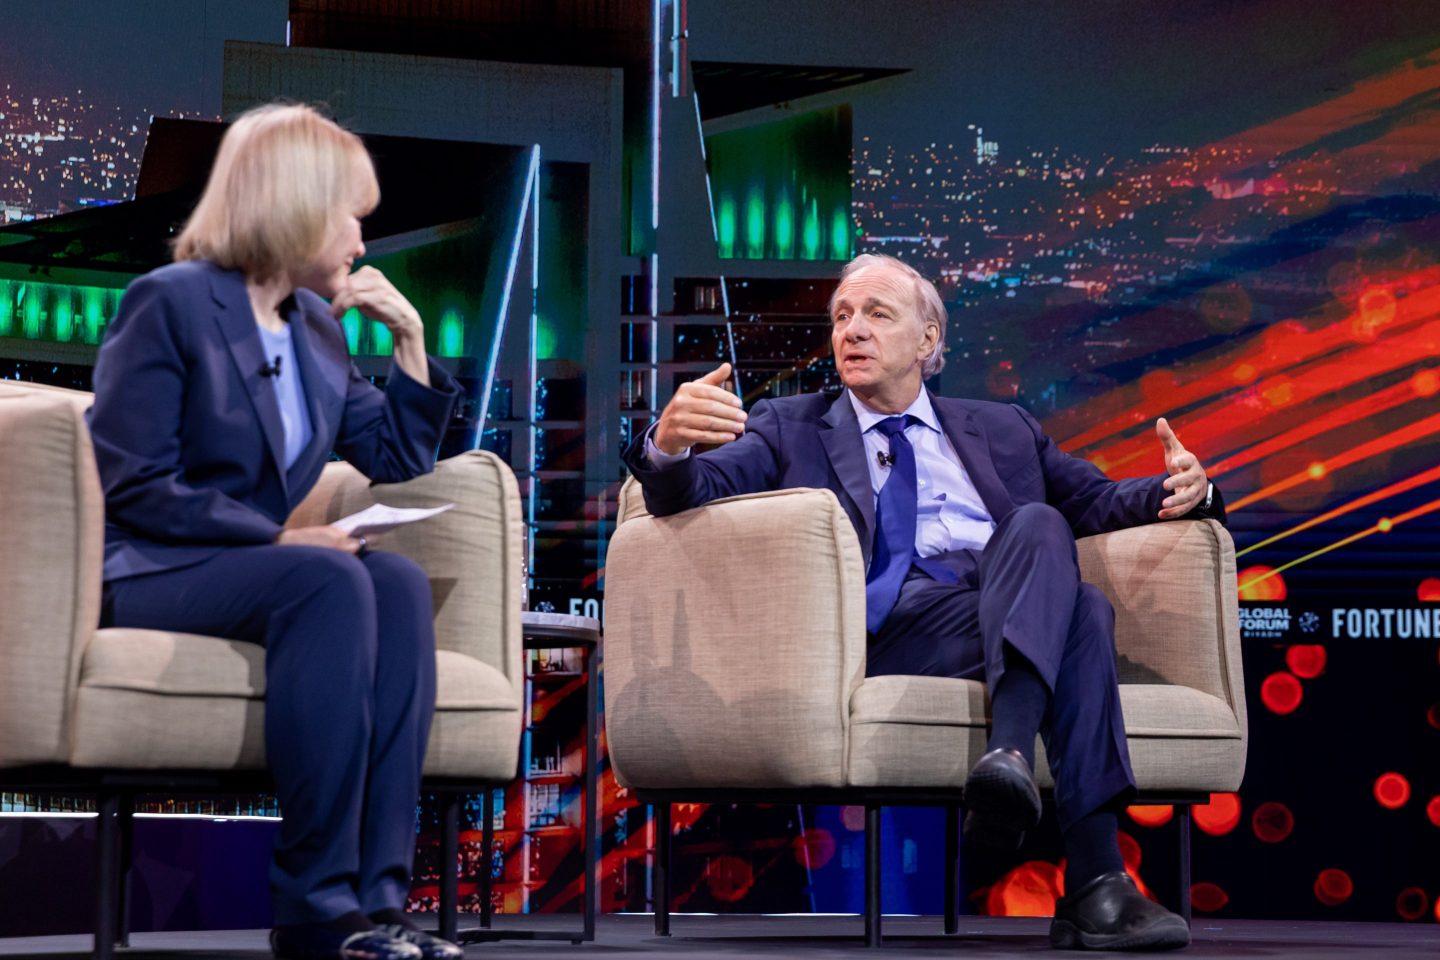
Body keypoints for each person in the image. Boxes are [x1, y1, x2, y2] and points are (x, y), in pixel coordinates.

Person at [623, 253, 1226, 952]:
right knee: (1077, 607)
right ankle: (1096, 881)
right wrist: (667, 446)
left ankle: (1014, 774)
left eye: (877, 314)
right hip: (889, 626)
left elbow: (1092, 501)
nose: (852, 330)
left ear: (929, 341)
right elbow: (695, 491)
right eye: (842, 316)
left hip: (999, 606)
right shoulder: (789, 424)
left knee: (1055, 557)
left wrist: (1188, 494)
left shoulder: (1002, 429)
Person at [88, 103, 464, 960]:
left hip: (256, 570)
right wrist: (279, 543)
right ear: (295, 205)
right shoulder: (172, 303)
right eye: (352, 220)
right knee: (328, 578)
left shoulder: (318, 330)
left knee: (398, 583)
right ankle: (314, 905)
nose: (361, 245)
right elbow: (135, 480)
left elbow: (395, 451)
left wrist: (407, 339)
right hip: (154, 565)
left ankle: (378, 903)